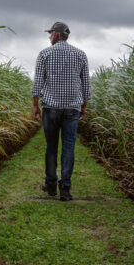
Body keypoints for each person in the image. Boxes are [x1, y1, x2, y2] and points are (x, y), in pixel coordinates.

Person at [32, 21, 90, 201]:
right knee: (68, 148)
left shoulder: (45, 54)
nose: (49, 36)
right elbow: (85, 85)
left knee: (51, 147)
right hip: (72, 108)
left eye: (50, 33)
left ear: (57, 34)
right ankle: (65, 188)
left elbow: (38, 84)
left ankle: (50, 185)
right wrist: (83, 106)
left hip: (50, 108)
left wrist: (35, 105)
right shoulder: (80, 54)